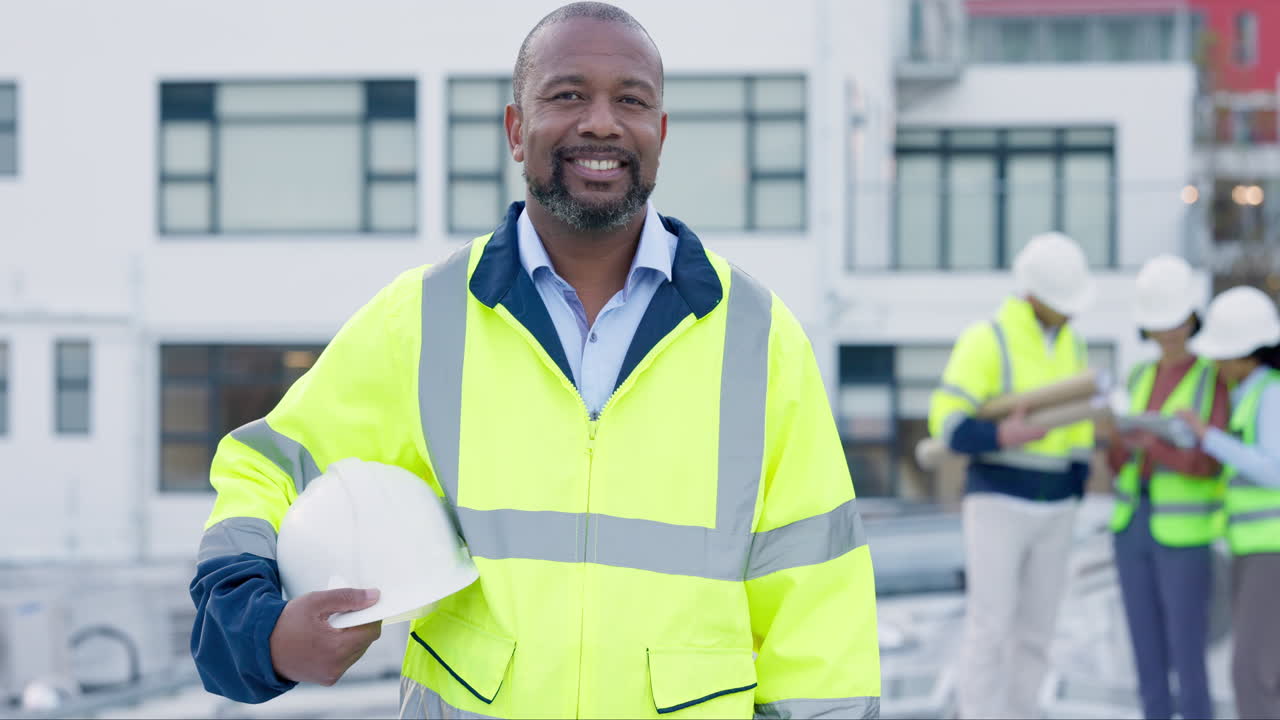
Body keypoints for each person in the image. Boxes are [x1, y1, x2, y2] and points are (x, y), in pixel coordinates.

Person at [187, 3, 881, 719]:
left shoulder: (760, 339)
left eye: (631, 100)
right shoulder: (422, 321)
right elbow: (267, 469)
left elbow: (818, 604)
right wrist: (257, 629)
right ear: (517, 129)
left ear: (661, 135)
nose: (602, 123)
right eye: (568, 94)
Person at [928, 231, 1096, 719]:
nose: (1072, 312)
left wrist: (1078, 483)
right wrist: (1003, 436)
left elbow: (1079, 426)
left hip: (1057, 504)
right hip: (998, 500)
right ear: (1036, 296)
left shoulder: (1074, 345)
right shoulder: (988, 339)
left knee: (1038, 633)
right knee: (991, 627)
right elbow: (949, 423)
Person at [1104, 255, 1228, 720]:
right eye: (1159, 324)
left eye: (1176, 322)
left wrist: (1154, 446)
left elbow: (1209, 462)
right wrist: (1119, 440)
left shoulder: (1211, 380)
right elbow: (1117, 463)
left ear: (1192, 319)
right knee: (1146, 658)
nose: (1169, 334)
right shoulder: (1137, 377)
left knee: (1188, 656)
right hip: (1132, 527)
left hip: (1184, 536)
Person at [1178, 285, 1280, 720]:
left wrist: (1208, 437)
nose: (1215, 363)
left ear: (1245, 354)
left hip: (1270, 550)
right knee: (1263, 671)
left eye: (1221, 354)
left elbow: (1274, 470)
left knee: (1251, 673)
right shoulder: (1250, 395)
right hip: (1253, 548)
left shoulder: (1271, 395)